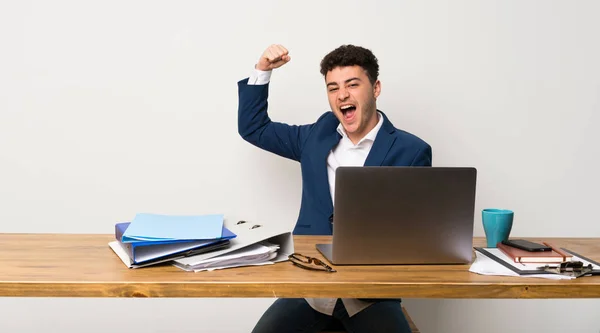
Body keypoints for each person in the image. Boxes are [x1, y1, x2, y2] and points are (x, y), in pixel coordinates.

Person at [237, 44, 432, 333]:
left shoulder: (412, 150)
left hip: (370, 293)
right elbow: (253, 128)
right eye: (333, 88)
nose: (342, 95)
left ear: (375, 88)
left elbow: (420, 229)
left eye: (353, 84)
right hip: (311, 286)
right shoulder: (314, 136)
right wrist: (262, 70)